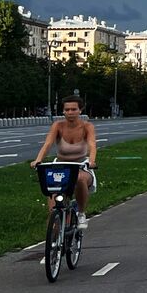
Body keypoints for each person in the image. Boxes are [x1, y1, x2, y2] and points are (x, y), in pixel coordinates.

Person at [30, 95, 98, 229]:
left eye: (73, 109)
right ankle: (55, 241)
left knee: (79, 179)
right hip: (60, 166)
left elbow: (92, 145)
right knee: (53, 210)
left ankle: (81, 213)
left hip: (81, 165)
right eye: (67, 110)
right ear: (63, 111)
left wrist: (91, 161)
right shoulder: (58, 126)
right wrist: (38, 160)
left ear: (80, 110)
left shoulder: (87, 127)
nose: (70, 113)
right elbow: (48, 144)